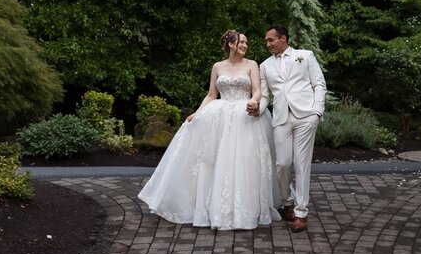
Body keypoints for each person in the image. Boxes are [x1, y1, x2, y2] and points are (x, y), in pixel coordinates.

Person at [138, 29, 279, 231]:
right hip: (219, 114)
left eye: (246, 43)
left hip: (243, 114)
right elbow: (212, 95)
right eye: (241, 42)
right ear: (231, 44)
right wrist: (197, 113)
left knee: (243, 161)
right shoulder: (217, 67)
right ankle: (211, 205)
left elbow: (257, 90)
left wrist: (254, 102)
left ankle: (243, 208)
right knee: (212, 160)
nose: (245, 46)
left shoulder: (251, 65)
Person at [253, 24, 328, 233]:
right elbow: (266, 96)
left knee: (302, 163)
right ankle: (287, 201)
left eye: (271, 40)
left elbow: (319, 84)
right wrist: (257, 109)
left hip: (306, 116)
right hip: (281, 118)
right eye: (266, 41)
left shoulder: (305, 56)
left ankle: (301, 212)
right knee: (282, 163)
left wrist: (317, 112)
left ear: (283, 38)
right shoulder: (265, 66)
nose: (267, 44)